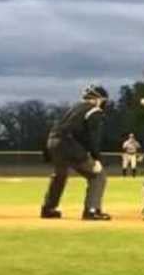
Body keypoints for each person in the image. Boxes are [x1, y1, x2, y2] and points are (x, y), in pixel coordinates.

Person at [40, 84, 111, 220]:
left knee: (59, 176)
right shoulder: (94, 111)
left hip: (53, 142)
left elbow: (60, 128)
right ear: (97, 99)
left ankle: (48, 208)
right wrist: (96, 159)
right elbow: (92, 137)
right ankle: (91, 210)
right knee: (97, 175)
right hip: (69, 145)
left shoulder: (73, 108)